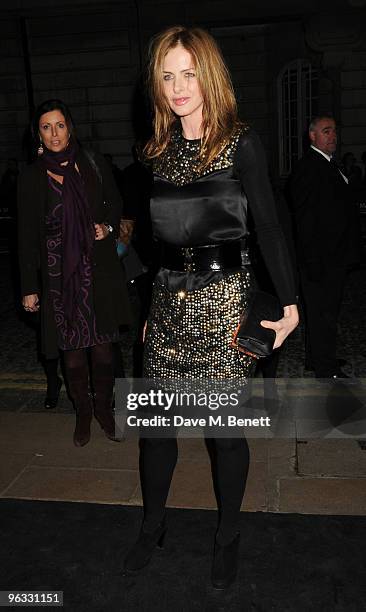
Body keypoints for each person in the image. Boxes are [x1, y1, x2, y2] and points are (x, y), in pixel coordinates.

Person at [122, 26, 298, 589]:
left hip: (225, 306)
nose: (178, 86)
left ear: (210, 75)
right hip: (168, 305)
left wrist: (290, 303)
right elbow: (161, 242)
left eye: (188, 73)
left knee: (224, 434)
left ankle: (228, 535)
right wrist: (152, 303)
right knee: (156, 430)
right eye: (168, 75)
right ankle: (153, 524)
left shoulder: (241, 143)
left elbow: (268, 226)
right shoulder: (154, 150)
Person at [18, 99, 130, 446]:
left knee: (103, 350)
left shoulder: (92, 164)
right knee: (73, 354)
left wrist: (108, 228)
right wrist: (29, 287)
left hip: (95, 270)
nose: (54, 133)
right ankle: (82, 411)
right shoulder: (30, 177)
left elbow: (116, 203)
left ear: (70, 127)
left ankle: (104, 409)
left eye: (60, 125)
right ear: (37, 133)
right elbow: (25, 236)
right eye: (46, 127)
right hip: (57, 278)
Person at [288, 114, 360, 379]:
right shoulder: (309, 167)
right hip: (321, 259)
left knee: (324, 312)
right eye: (326, 131)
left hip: (332, 256)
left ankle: (317, 358)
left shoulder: (328, 163)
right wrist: (313, 262)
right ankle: (324, 365)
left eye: (334, 131)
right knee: (323, 314)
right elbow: (305, 220)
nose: (333, 136)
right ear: (313, 136)